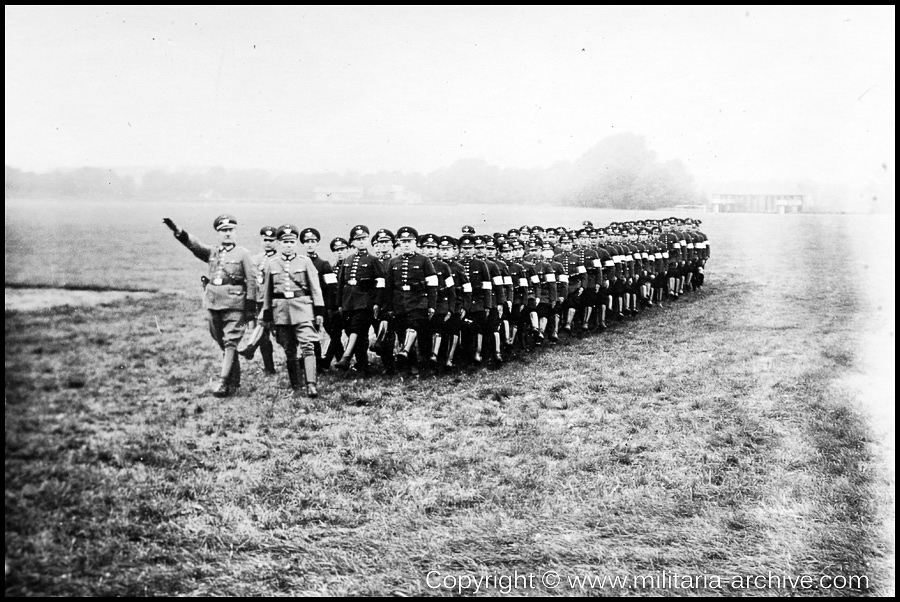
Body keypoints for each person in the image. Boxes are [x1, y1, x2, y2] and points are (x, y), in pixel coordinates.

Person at [162, 214, 257, 397]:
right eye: (223, 231)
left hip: (235, 303)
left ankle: (223, 382)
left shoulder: (243, 254)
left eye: (230, 230)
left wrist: (250, 307)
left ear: (235, 232)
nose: (227, 234)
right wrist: (178, 232)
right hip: (213, 302)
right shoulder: (213, 252)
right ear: (217, 234)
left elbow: (252, 281)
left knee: (231, 342)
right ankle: (234, 378)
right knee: (221, 341)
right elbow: (195, 246)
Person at [261, 224, 325, 398]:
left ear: (296, 243)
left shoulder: (305, 261)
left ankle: (311, 384)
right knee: (289, 349)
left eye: (291, 242)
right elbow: (267, 292)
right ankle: (296, 384)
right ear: (279, 243)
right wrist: (267, 313)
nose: (288, 245)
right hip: (280, 311)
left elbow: (315, 288)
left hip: (303, 309)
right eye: (284, 242)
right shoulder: (272, 264)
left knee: (308, 346)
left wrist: (319, 311)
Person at [334, 225, 387, 375]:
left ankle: (346, 357)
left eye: (364, 239)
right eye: (358, 239)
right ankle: (363, 366)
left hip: (365, 302)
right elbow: (340, 284)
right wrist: (339, 303)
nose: (361, 242)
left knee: (357, 328)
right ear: (353, 242)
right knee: (356, 334)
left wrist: (377, 302)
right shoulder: (347, 260)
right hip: (349, 301)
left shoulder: (373, 260)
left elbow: (381, 283)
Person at [385, 227, 438, 375]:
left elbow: (432, 286)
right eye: (403, 242)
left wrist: (431, 306)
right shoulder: (393, 262)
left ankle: (420, 361)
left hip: (418, 303)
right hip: (399, 304)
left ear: (415, 243)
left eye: (409, 241)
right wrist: (389, 306)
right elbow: (389, 287)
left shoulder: (424, 260)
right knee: (403, 334)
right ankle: (410, 363)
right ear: (399, 244)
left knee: (414, 328)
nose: (406, 245)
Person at [300, 227, 338, 372]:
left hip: (322, 305)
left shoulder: (324, 264)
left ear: (317, 244)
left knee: (333, 334)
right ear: (303, 244)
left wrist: (328, 308)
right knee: (310, 334)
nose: (310, 244)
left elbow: (331, 288)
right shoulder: (300, 262)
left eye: (313, 241)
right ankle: (315, 364)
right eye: (307, 241)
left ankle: (328, 361)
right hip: (305, 305)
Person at [250, 226, 278, 375]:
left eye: (271, 240)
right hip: (259, 302)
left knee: (282, 336)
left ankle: (295, 363)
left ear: (277, 242)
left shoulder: (279, 259)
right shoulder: (255, 259)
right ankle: (269, 367)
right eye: (265, 240)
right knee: (263, 336)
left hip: (275, 303)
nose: (268, 243)